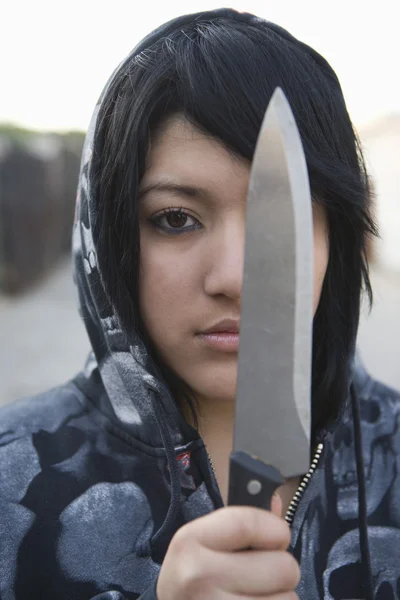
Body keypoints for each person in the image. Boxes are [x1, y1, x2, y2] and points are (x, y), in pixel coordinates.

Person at [1, 8, 399, 600]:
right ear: (109, 239)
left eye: (280, 221)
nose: (236, 278)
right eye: (176, 219)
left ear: (336, 239)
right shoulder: (12, 488)